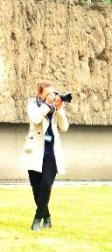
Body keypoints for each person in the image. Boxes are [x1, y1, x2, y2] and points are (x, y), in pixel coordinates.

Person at [23, 80, 70, 231]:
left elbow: (64, 127)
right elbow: (36, 119)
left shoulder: (55, 107)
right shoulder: (33, 104)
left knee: (46, 185)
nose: (51, 96)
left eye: (53, 93)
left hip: (51, 154)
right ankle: (47, 218)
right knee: (36, 189)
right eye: (48, 94)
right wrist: (47, 105)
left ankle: (37, 220)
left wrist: (59, 109)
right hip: (35, 152)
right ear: (40, 94)